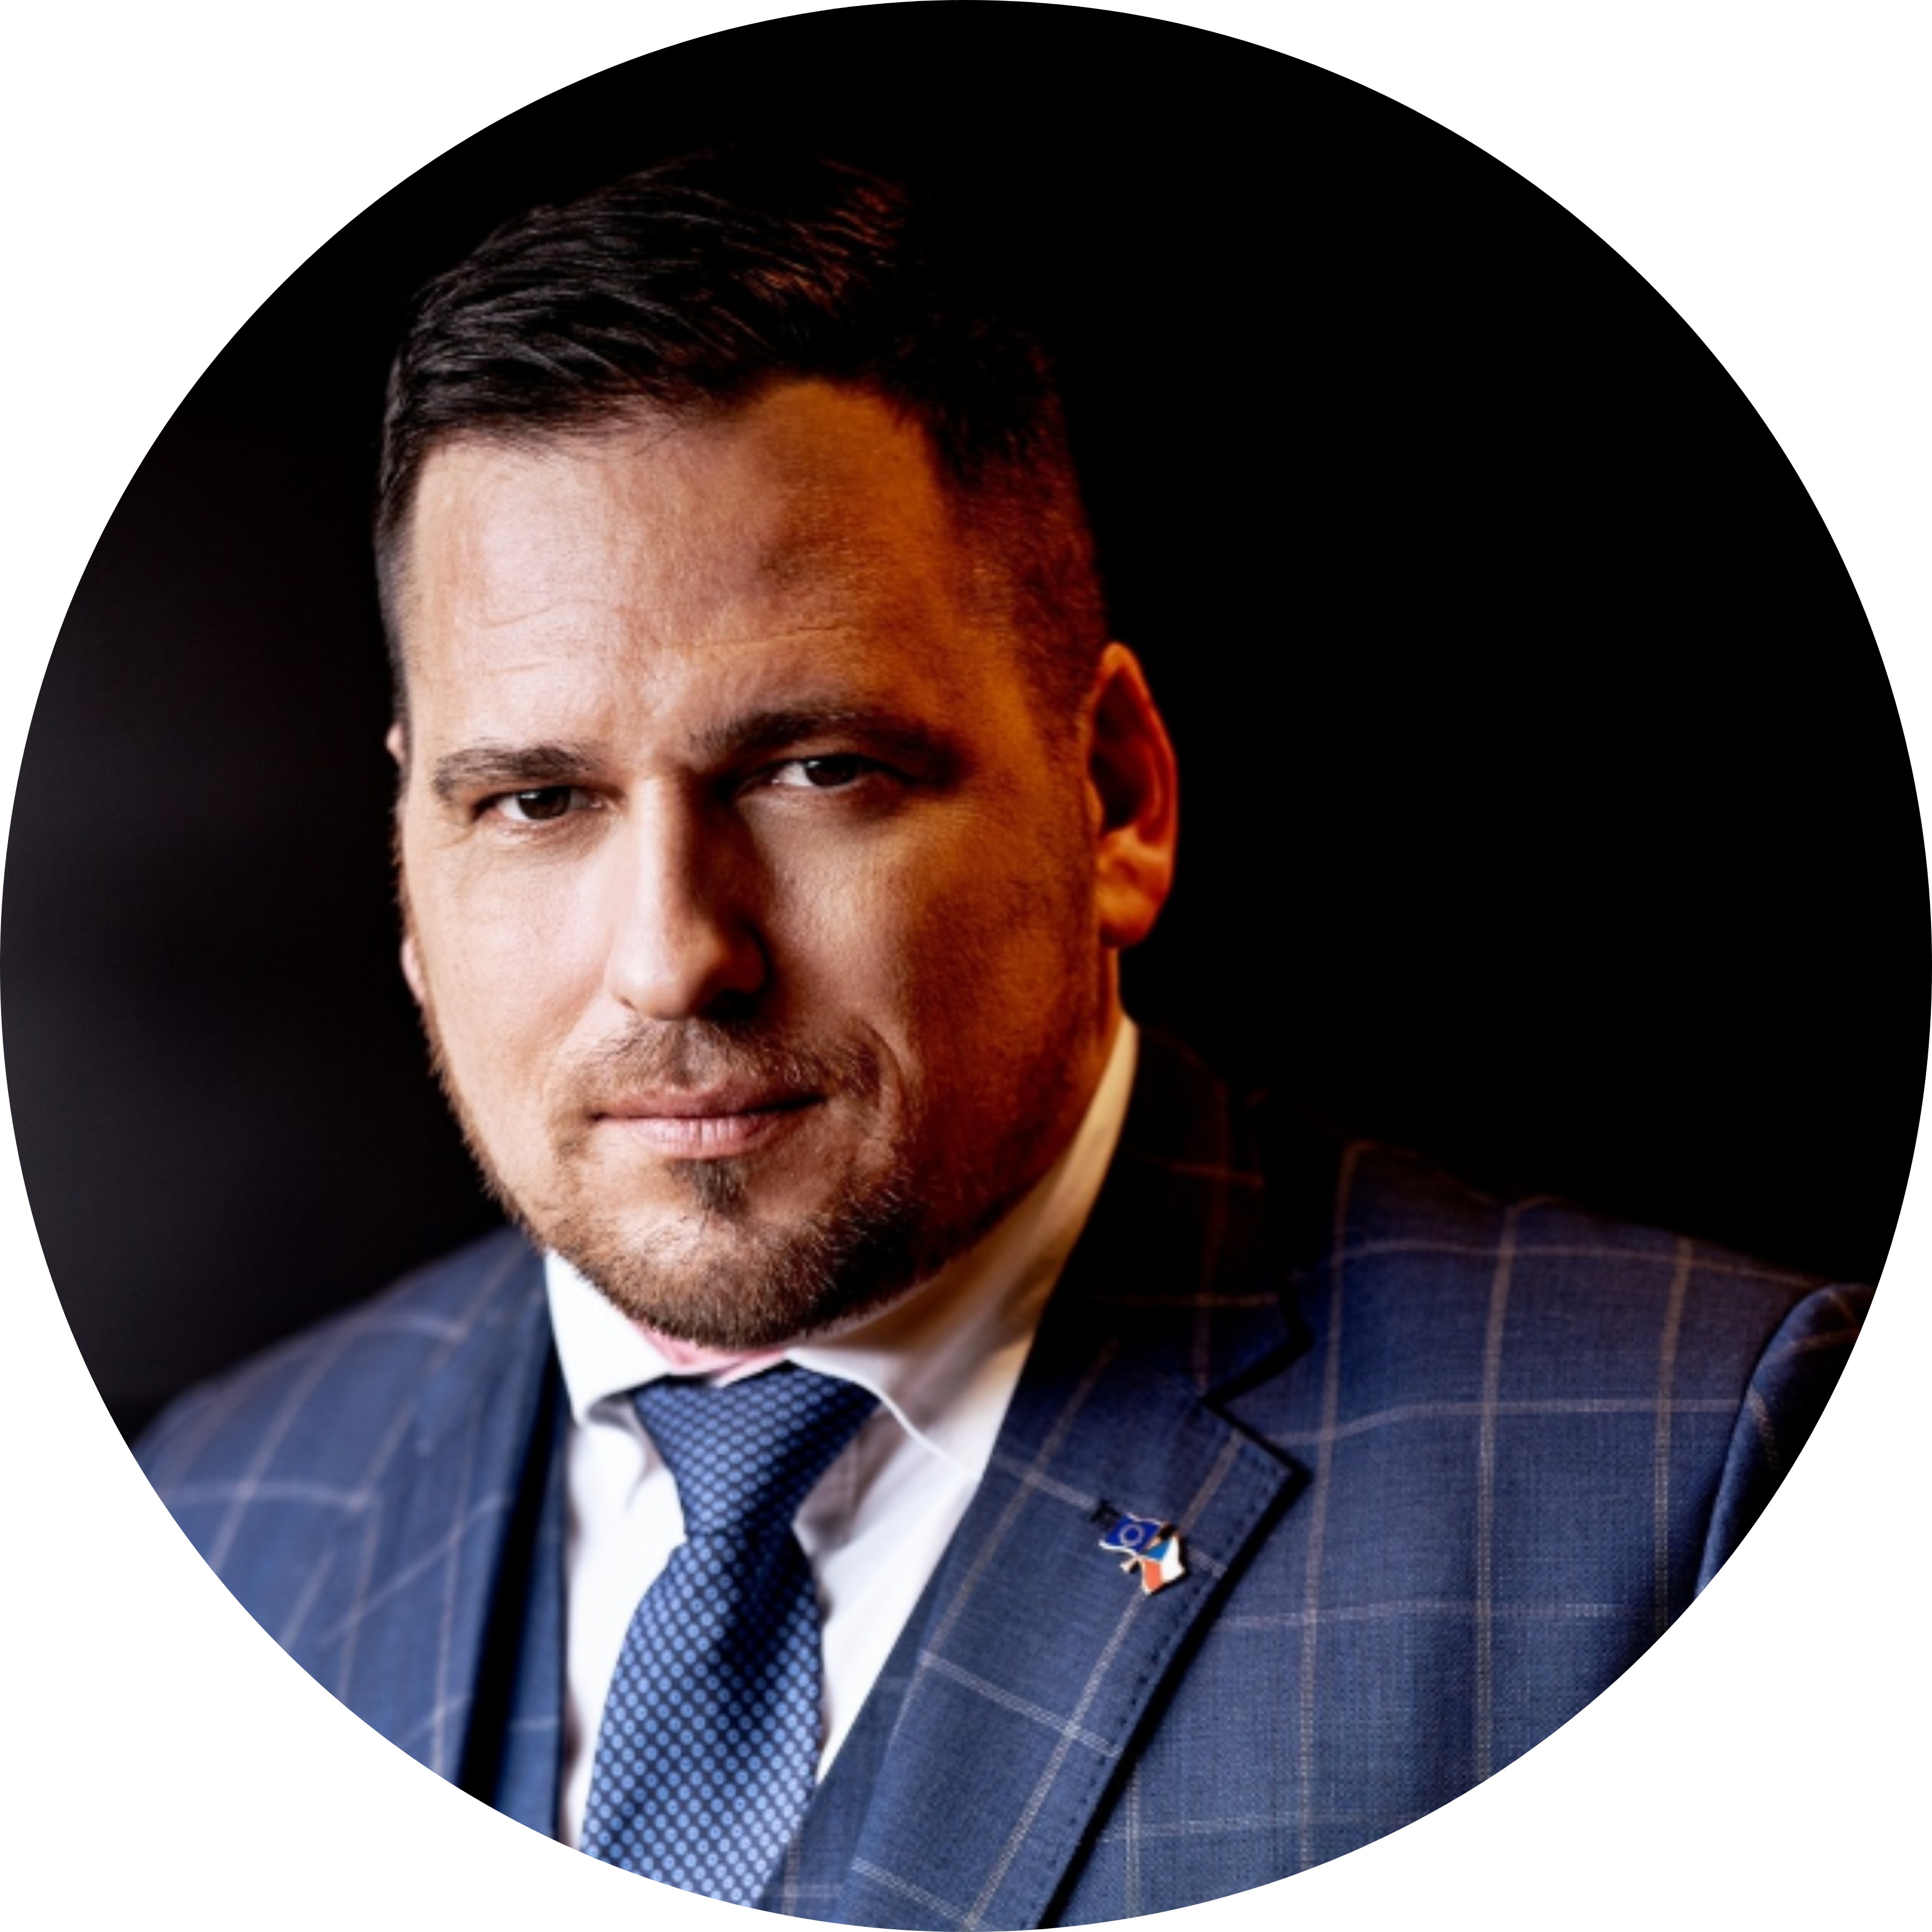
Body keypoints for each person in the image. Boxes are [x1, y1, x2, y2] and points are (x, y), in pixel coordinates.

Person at [134, 150, 1867, 1916]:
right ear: (410, 848)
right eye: (535, 802)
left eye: (819, 771)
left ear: (1115, 797)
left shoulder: (1675, 1485)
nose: (670, 960)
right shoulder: (220, 1507)